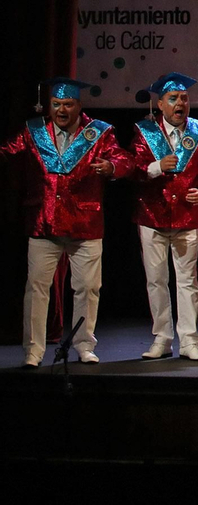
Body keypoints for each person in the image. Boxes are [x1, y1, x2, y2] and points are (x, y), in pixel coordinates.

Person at [3, 77, 127, 366]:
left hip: (85, 224)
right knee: (36, 289)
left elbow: (124, 159)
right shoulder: (34, 131)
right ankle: (33, 351)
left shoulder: (99, 133)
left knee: (87, 288)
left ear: (78, 106)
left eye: (67, 104)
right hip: (44, 223)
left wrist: (112, 167)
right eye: (56, 104)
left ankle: (84, 345)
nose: (61, 110)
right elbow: (7, 151)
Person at [128, 73, 198, 361]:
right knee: (156, 280)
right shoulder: (145, 131)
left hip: (187, 216)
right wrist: (156, 166)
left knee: (188, 281)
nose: (180, 103)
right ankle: (162, 338)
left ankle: (190, 341)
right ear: (160, 105)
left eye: (183, 98)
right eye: (173, 99)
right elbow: (133, 169)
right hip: (152, 215)